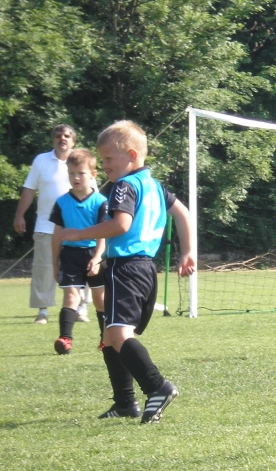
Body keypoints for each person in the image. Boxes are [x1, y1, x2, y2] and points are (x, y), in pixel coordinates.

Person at [57, 121, 196, 423]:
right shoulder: (155, 185)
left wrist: (79, 234)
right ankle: (124, 403)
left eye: (108, 158)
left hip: (126, 267)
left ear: (131, 155)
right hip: (146, 269)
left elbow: (121, 224)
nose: (104, 165)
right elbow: (183, 213)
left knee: (118, 334)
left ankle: (157, 386)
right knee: (110, 336)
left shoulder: (125, 185)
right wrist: (187, 252)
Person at [14, 124, 92, 324]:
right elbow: (29, 189)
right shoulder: (41, 160)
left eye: (67, 136)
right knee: (44, 269)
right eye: (58, 136)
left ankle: (81, 309)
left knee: (83, 266)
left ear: (73, 141)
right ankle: (43, 311)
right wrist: (20, 215)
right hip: (46, 226)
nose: (62, 138)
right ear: (53, 140)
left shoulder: (82, 161)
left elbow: (93, 194)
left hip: (78, 227)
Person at [49, 148, 108, 355]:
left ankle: (106, 340)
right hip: (70, 256)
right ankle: (65, 339)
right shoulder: (61, 202)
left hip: (94, 254)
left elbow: (103, 234)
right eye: (71, 173)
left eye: (81, 173)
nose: (76, 178)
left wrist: (98, 257)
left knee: (100, 300)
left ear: (93, 174)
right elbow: (56, 235)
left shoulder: (100, 202)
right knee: (71, 297)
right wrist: (54, 263)